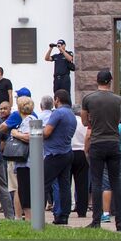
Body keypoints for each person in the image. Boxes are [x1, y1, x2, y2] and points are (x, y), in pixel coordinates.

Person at [80, 69, 121, 231]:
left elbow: (85, 121)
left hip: (97, 143)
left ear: (97, 80)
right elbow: (120, 119)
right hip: (114, 143)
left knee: (97, 183)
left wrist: (93, 123)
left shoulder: (89, 99)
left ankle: (96, 221)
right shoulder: (118, 100)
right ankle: (120, 222)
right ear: (110, 81)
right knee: (116, 183)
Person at [41, 90, 77, 224]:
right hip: (67, 152)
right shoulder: (71, 114)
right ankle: (63, 216)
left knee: (42, 183)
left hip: (54, 154)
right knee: (64, 185)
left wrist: (39, 131)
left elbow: (47, 132)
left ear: (57, 99)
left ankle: (37, 215)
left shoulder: (58, 113)